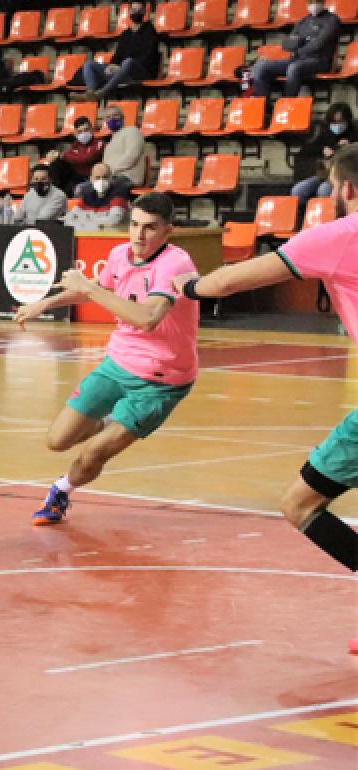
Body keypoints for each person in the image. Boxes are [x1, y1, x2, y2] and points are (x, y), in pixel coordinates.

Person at [172, 145, 358, 618]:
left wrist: (186, 286)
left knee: (301, 504)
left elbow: (229, 282)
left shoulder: (339, 236)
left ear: (346, 189)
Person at [12, 192, 198, 526]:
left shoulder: (175, 264)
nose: (139, 235)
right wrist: (44, 303)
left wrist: (90, 288)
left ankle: (60, 492)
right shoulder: (119, 255)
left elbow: (147, 318)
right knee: (58, 440)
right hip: (118, 363)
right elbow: (96, 288)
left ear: (168, 231)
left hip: (161, 380)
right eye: (134, 225)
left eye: (150, 228)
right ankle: (111, 422)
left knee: (93, 453)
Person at [250, 1, 340, 99]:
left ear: (322, 2)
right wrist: (302, 41)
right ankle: (264, 106)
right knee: (261, 67)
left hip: (320, 61)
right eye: (310, 3)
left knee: (293, 68)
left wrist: (299, 44)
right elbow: (286, 44)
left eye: (315, 2)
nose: (313, 6)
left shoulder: (332, 20)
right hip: (297, 59)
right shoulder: (304, 21)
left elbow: (319, 43)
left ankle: (286, 103)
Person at [79, 0, 161, 101]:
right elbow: (118, 54)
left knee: (128, 62)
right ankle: (90, 93)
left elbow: (148, 57)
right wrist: (111, 65)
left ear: (144, 12)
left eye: (139, 10)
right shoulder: (125, 34)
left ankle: (102, 93)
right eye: (134, 10)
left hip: (142, 72)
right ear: (129, 12)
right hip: (122, 73)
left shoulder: (150, 31)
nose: (136, 13)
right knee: (89, 64)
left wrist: (122, 68)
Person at [291, 103, 355, 209]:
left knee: (324, 190)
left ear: (348, 120)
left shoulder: (354, 134)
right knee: (298, 190)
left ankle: (328, 215)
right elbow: (306, 155)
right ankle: (306, 216)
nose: (337, 125)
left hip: (343, 175)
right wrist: (322, 151)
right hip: (323, 173)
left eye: (340, 122)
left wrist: (350, 147)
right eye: (334, 122)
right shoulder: (321, 133)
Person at [46, 116, 106, 197]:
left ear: (91, 129)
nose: (83, 133)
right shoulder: (76, 145)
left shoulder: (99, 143)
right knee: (55, 163)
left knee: (60, 160)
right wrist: (54, 156)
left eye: (86, 130)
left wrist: (61, 155)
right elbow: (68, 156)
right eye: (80, 131)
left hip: (90, 177)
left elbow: (86, 159)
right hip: (75, 176)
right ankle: (53, 193)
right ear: (75, 133)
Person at [64, 162, 132, 230]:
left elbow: (113, 220)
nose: (101, 181)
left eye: (105, 177)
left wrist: (86, 220)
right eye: (97, 177)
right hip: (90, 232)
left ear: (111, 178)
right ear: (91, 179)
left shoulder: (119, 193)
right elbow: (69, 218)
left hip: (112, 234)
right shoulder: (87, 194)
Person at [101, 105, 146, 188]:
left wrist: (110, 171)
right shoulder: (110, 143)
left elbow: (132, 156)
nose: (112, 119)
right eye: (108, 117)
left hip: (128, 177)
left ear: (122, 117)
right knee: (83, 188)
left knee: (103, 187)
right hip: (112, 177)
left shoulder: (132, 131)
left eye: (115, 115)